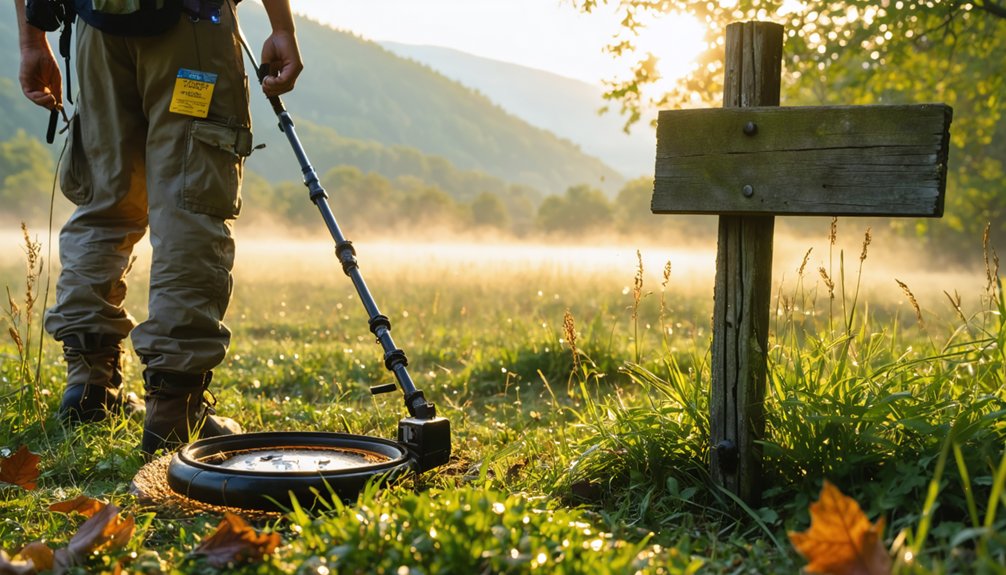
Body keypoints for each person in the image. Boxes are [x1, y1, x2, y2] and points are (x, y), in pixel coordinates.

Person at [13, 0, 303, 455]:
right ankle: (174, 407)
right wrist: (282, 27)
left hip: (96, 26)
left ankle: (89, 385)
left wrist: (32, 41)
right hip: (193, 26)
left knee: (104, 202)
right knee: (190, 203)